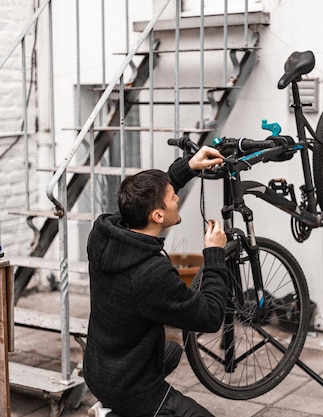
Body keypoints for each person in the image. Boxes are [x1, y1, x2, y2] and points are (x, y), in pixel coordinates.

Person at [85, 145, 229, 417]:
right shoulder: (150, 274)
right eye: (174, 197)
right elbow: (210, 317)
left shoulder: (104, 233)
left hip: (100, 365)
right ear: (158, 216)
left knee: (170, 351)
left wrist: (187, 167)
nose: (177, 198)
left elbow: (145, 199)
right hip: (127, 385)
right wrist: (214, 254)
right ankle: (117, 412)